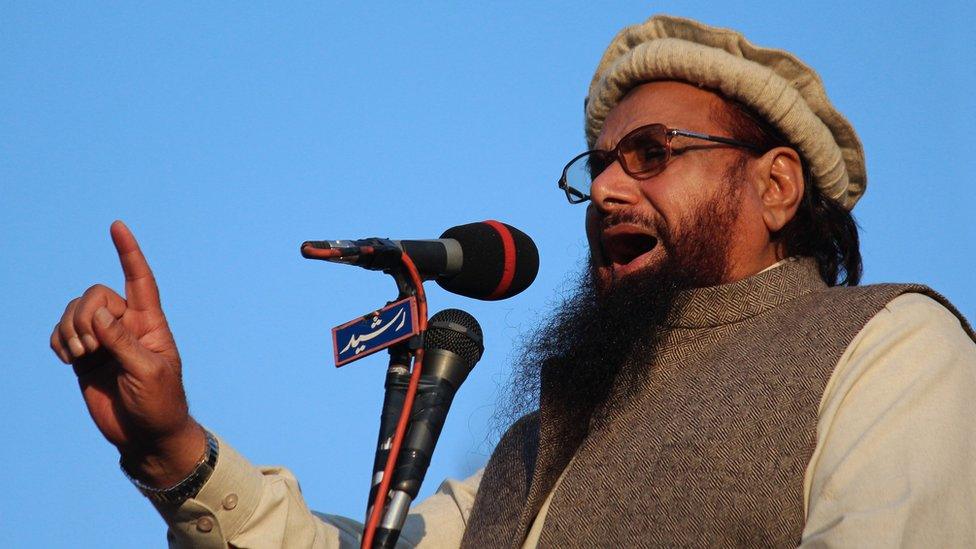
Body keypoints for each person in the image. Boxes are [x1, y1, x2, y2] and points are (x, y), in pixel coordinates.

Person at [51, 14, 976, 548]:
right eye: (599, 164)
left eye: (651, 155)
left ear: (775, 184)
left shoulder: (888, 347)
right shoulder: (539, 444)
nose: (607, 187)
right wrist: (172, 448)